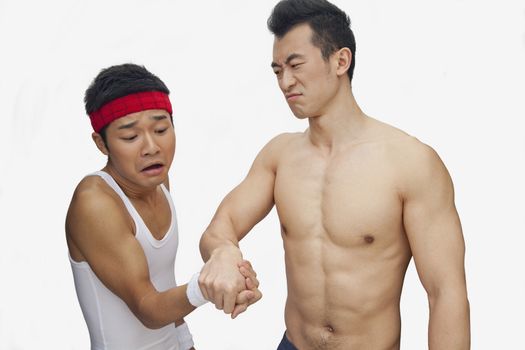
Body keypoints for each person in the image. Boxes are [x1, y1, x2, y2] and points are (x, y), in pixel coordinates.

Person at [198, 0, 470, 349]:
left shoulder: (410, 162)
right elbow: (218, 230)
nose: (285, 81)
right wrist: (223, 253)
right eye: (277, 70)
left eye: (295, 65)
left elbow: (446, 292)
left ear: (341, 61)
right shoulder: (279, 156)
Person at [65, 63, 260, 350]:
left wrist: (187, 343)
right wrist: (210, 284)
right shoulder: (94, 202)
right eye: (130, 137)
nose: (151, 147)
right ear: (101, 144)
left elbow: (163, 286)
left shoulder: (156, 179)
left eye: (160, 129)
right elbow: (147, 307)